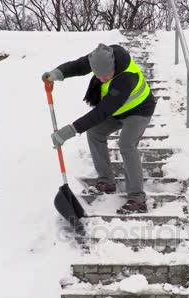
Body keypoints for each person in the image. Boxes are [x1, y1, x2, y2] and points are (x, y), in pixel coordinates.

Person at [42, 43, 156, 214]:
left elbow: (102, 112)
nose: (102, 79)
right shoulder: (101, 57)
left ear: (114, 68)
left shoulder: (126, 78)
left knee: (126, 144)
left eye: (106, 76)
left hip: (139, 110)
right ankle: (106, 181)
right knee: (95, 132)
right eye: (98, 76)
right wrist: (57, 73)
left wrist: (69, 131)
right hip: (118, 110)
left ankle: (137, 198)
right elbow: (80, 65)